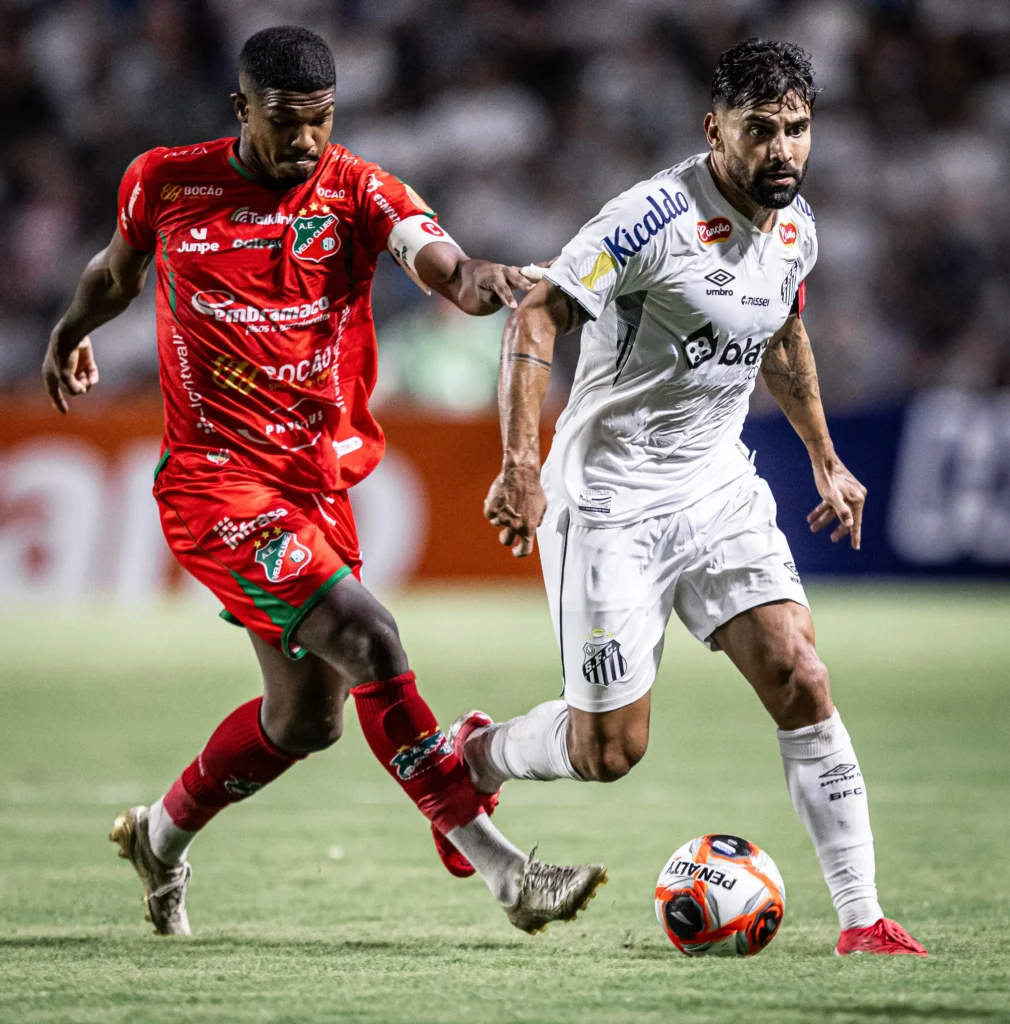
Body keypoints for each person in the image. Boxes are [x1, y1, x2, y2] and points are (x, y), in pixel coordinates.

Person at [42, 25, 605, 937]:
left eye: (321, 120)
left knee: (306, 720)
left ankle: (159, 836)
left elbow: (449, 269)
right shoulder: (166, 182)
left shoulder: (359, 190)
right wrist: (71, 332)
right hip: (214, 481)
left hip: (313, 487)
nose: (305, 140)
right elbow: (116, 272)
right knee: (370, 635)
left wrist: (488, 281)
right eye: (285, 121)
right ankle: (506, 875)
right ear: (241, 109)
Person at [460, 38, 927, 956]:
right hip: (610, 500)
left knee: (801, 674)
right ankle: (475, 754)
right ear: (715, 131)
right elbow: (537, 313)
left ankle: (864, 920)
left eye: (798, 129)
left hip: (716, 485)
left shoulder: (796, 226)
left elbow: (783, 335)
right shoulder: (651, 219)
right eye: (762, 131)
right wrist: (519, 463)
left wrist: (825, 457)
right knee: (609, 752)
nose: (784, 150)